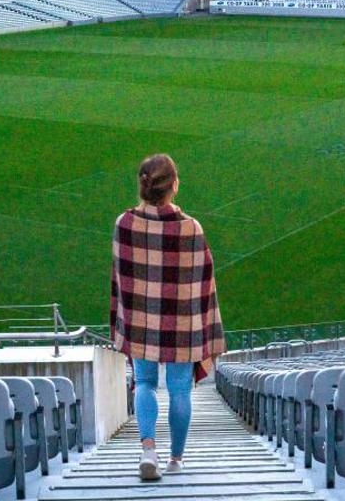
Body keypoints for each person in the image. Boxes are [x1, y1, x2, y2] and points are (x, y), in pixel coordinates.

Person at [111, 154, 225, 481]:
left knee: (144, 383)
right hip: (182, 323)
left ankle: (148, 450)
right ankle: (176, 459)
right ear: (174, 185)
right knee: (180, 390)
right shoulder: (191, 227)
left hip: (141, 319)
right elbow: (204, 282)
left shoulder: (124, 223)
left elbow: (121, 278)